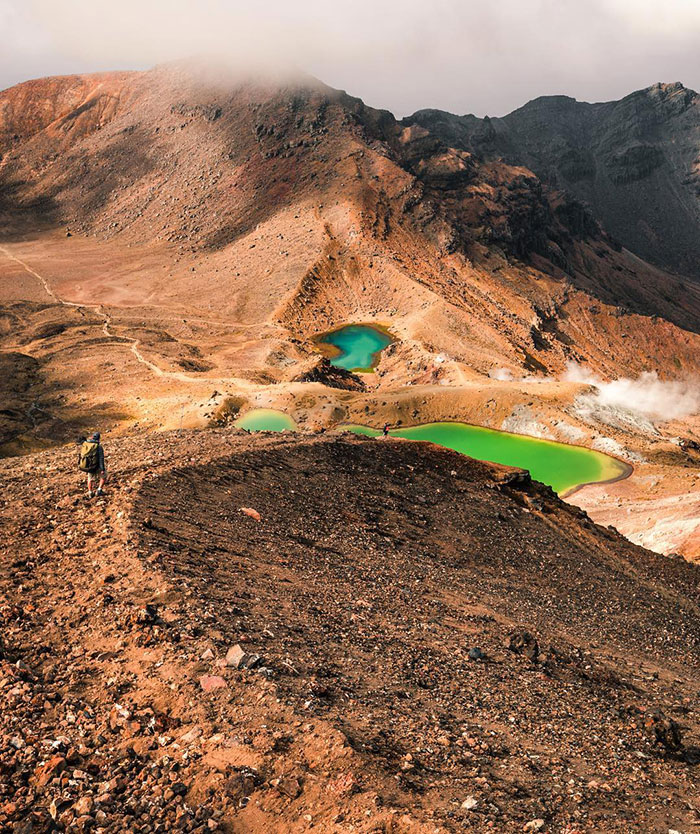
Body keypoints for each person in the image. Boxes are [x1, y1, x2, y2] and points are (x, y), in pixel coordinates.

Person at [78, 432, 107, 498]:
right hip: (96, 465)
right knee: (103, 476)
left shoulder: (86, 444)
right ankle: (99, 490)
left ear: (92, 437)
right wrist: (102, 469)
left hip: (89, 465)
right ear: (99, 438)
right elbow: (101, 458)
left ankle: (90, 492)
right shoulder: (98, 446)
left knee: (89, 479)